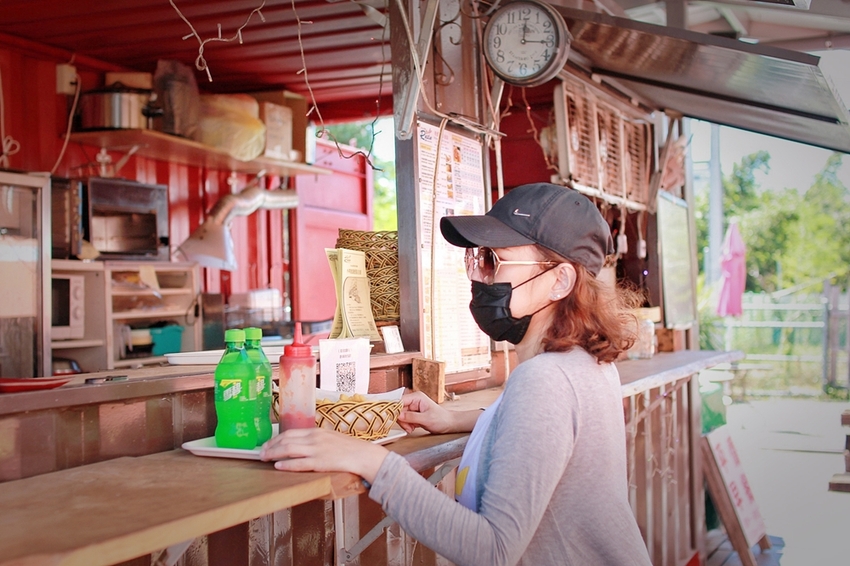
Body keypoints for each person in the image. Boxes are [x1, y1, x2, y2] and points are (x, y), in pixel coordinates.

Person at [260, 183, 652, 566]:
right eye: (478, 258)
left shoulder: (546, 380)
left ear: (560, 280)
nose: (478, 277)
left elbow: (492, 550)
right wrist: (452, 419)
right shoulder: (583, 362)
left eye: (493, 261)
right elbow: (545, 432)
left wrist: (371, 462)